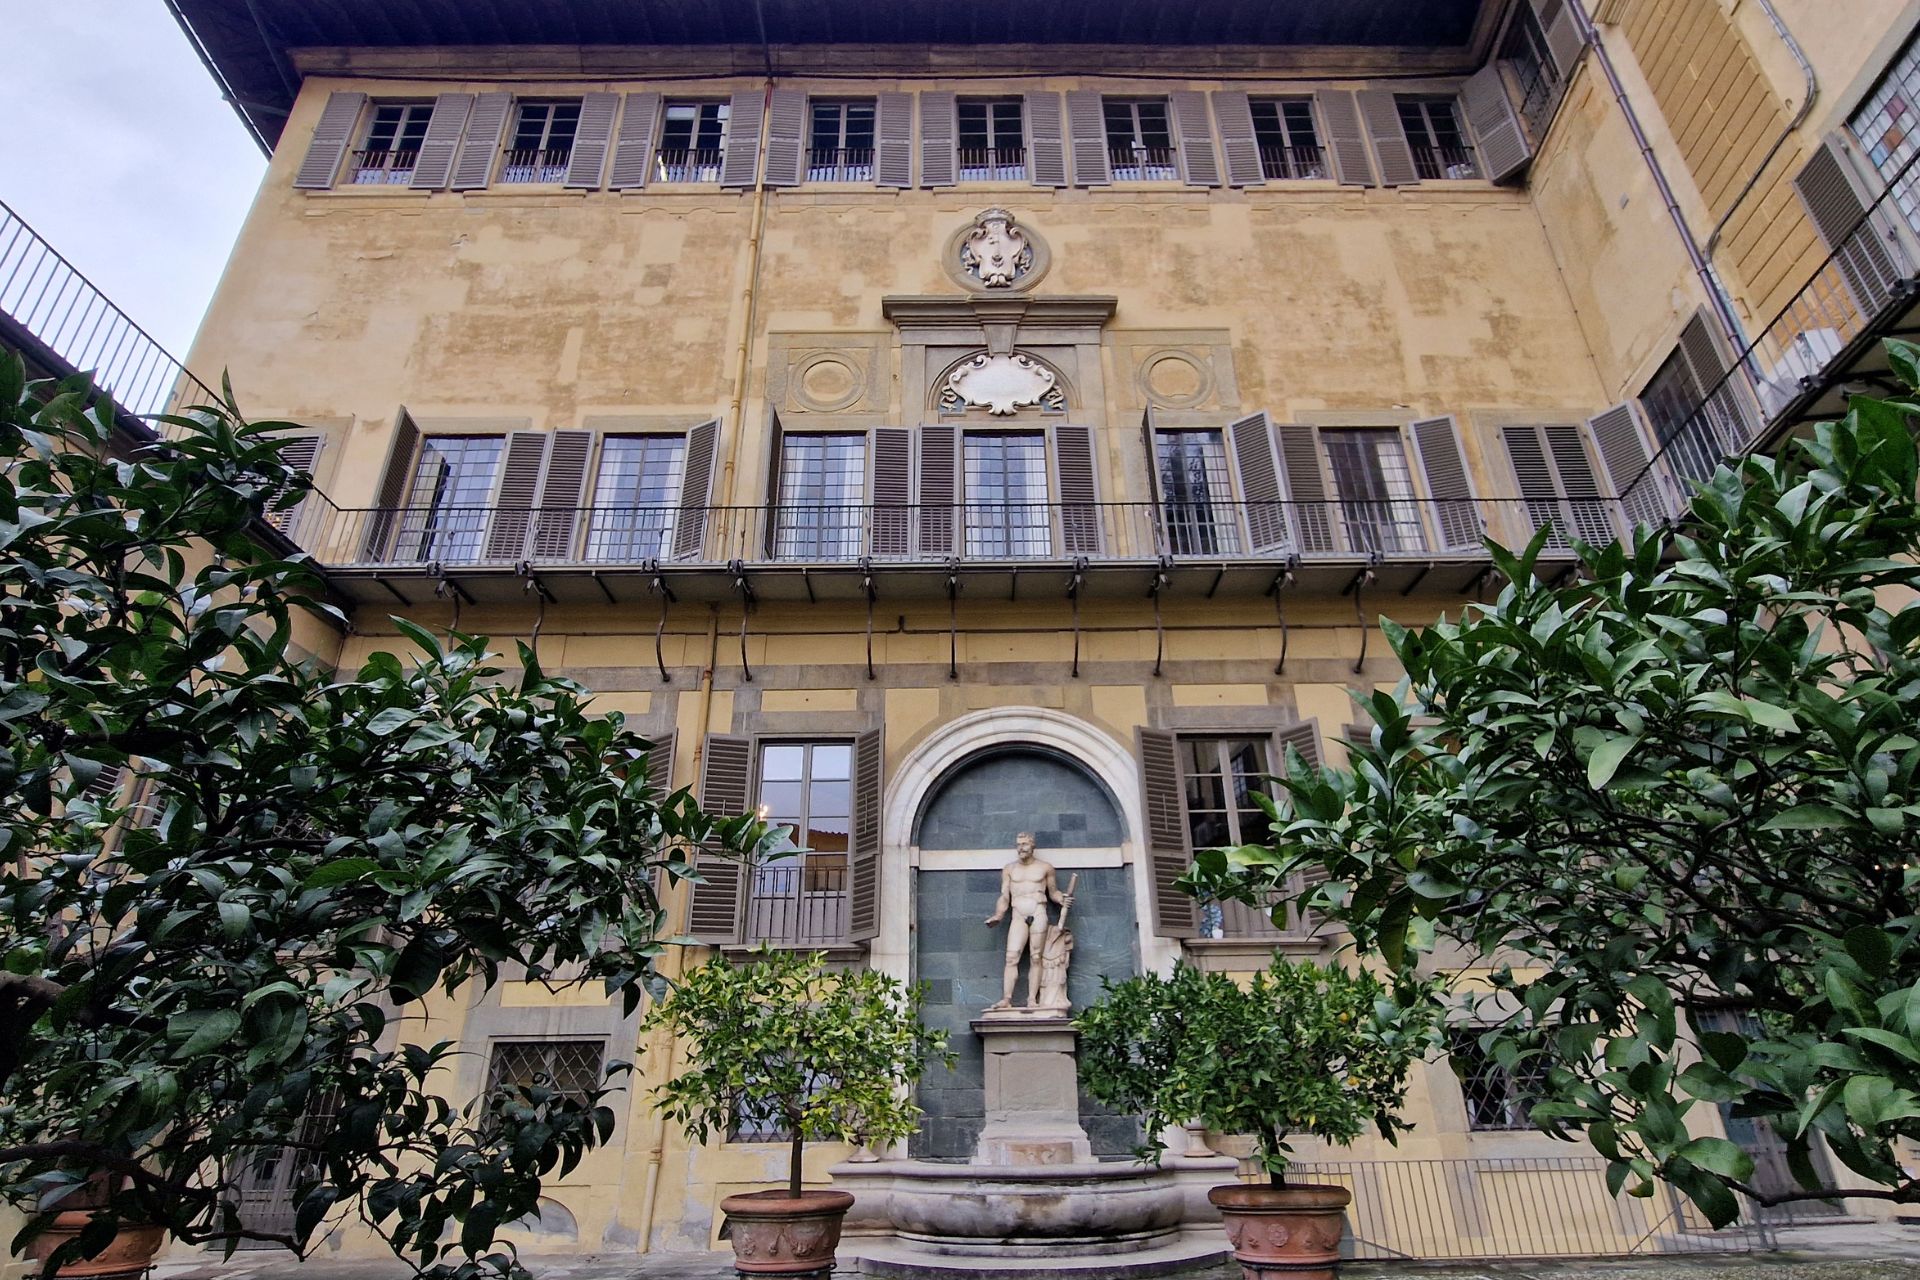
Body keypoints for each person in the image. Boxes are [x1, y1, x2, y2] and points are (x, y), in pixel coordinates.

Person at [983, 831, 1073, 1011]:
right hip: (1018, 914)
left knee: (1035, 956)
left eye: (1024, 844)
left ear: (1032, 846)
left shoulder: (1045, 867)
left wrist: (1062, 899)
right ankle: (1007, 998)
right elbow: (1004, 896)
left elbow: (1053, 891)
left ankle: (1032, 999)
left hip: (1038, 911)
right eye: (1018, 844)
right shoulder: (1009, 869)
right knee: (1011, 957)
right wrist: (999, 915)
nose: (1020, 848)